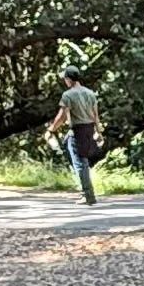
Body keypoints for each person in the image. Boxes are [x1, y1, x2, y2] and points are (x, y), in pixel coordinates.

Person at [53, 68, 104, 201]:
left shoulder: (68, 95)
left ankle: (87, 194)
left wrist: (51, 129)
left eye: (65, 79)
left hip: (78, 130)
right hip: (89, 129)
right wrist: (98, 132)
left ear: (69, 79)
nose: (65, 81)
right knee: (81, 159)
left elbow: (62, 116)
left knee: (80, 162)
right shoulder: (90, 93)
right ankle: (88, 192)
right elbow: (95, 115)